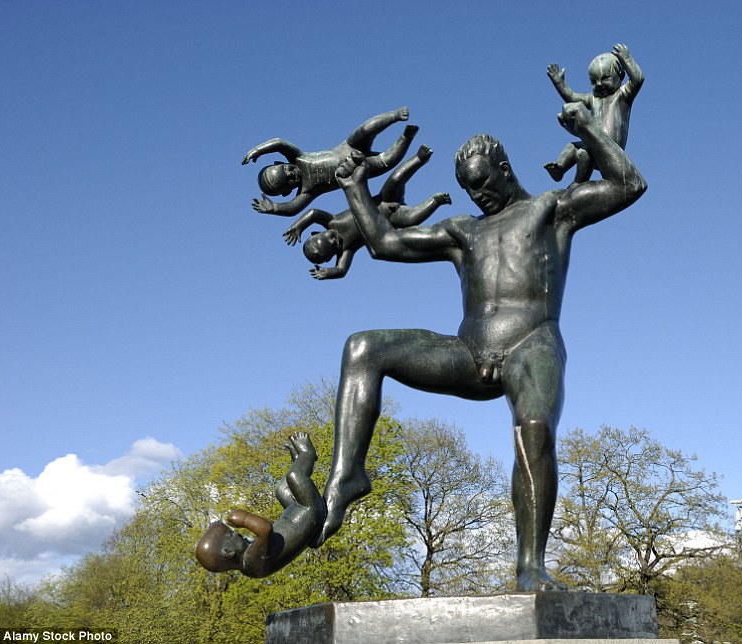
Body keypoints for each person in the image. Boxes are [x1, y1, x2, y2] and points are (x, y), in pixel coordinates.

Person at [321, 101, 646, 591]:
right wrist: (354, 187)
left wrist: (586, 128)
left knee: (534, 428)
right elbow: (385, 244)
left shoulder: (550, 210)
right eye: (468, 188)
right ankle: (347, 475)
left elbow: (629, 185)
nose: (477, 194)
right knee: (362, 348)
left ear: (504, 169)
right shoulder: (463, 230)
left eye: (482, 182)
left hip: (531, 343)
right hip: (467, 352)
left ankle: (530, 566)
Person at [280, 145, 451, 280]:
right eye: (333, 246)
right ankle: (437, 200)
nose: (335, 240)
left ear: (318, 232)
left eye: (329, 237)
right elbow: (341, 270)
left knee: (396, 179)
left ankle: (419, 158)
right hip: (392, 220)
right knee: (413, 217)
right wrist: (328, 273)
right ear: (330, 256)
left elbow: (313, 213)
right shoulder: (347, 249)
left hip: (383, 201)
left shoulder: (332, 221)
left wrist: (298, 226)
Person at [241, 107, 417, 218]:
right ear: (287, 191)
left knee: (365, 130)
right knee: (387, 160)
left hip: (348, 147)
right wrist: (275, 208)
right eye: (287, 181)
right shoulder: (307, 191)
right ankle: (407, 136)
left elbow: (279, 143)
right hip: (358, 169)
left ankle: (394, 116)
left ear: (281, 161)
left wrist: (258, 150)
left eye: (285, 169)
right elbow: (293, 209)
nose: (290, 174)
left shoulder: (298, 158)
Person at [195, 433, 325, 578]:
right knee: (294, 477)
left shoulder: (249, 563)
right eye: (231, 534)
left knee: (281, 490)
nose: (237, 533)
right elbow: (265, 529)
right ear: (228, 552)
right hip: (309, 510)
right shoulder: (252, 561)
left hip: (294, 511)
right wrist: (242, 519)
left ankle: (299, 462)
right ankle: (308, 454)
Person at [544, 43, 643, 184]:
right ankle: (559, 168)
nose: (599, 84)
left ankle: (577, 184)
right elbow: (571, 97)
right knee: (572, 146)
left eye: (605, 78)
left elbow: (638, 80)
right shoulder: (594, 99)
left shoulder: (622, 96)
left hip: (610, 148)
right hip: (593, 144)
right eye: (594, 82)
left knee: (583, 153)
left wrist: (627, 60)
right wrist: (559, 83)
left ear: (620, 75)